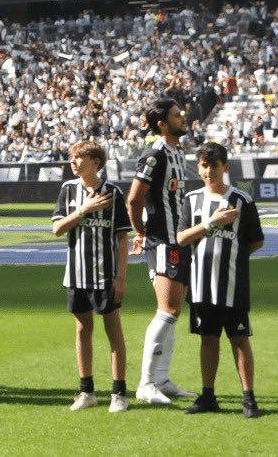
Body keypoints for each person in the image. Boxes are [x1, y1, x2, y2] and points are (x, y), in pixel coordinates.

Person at [176, 142, 265, 419]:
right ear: (198, 167)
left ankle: (248, 398)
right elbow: (181, 238)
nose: (209, 171)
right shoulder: (191, 199)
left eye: (214, 166)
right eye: (204, 165)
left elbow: (256, 241)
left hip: (233, 285)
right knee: (208, 339)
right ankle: (208, 395)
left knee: (239, 339)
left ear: (225, 167)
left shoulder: (242, 200)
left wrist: (232, 258)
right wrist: (211, 224)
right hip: (202, 286)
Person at [52, 141, 131, 413]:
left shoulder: (113, 193)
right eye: (72, 157)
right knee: (82, 330)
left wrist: (121, 278)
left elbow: (122, 238)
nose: (73, 162)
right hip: (76, 275)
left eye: (79, 158)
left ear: (96, 162)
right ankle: (87, 391)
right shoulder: (68, 190)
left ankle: (119, 393)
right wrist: (83, 210)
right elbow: (57, 229)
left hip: (105, 276)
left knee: (113, 331)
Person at [128, 99, 197, 405]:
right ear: (162, 124)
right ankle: (145, 383)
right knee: (166, 311)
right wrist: (142, 233)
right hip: (163, 242)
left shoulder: (176, 152)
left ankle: (163, 378)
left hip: (178, 242)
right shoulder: (155, 154)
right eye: (177, 115)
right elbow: (134, 199)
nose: (183, 118)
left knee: (174, 312)